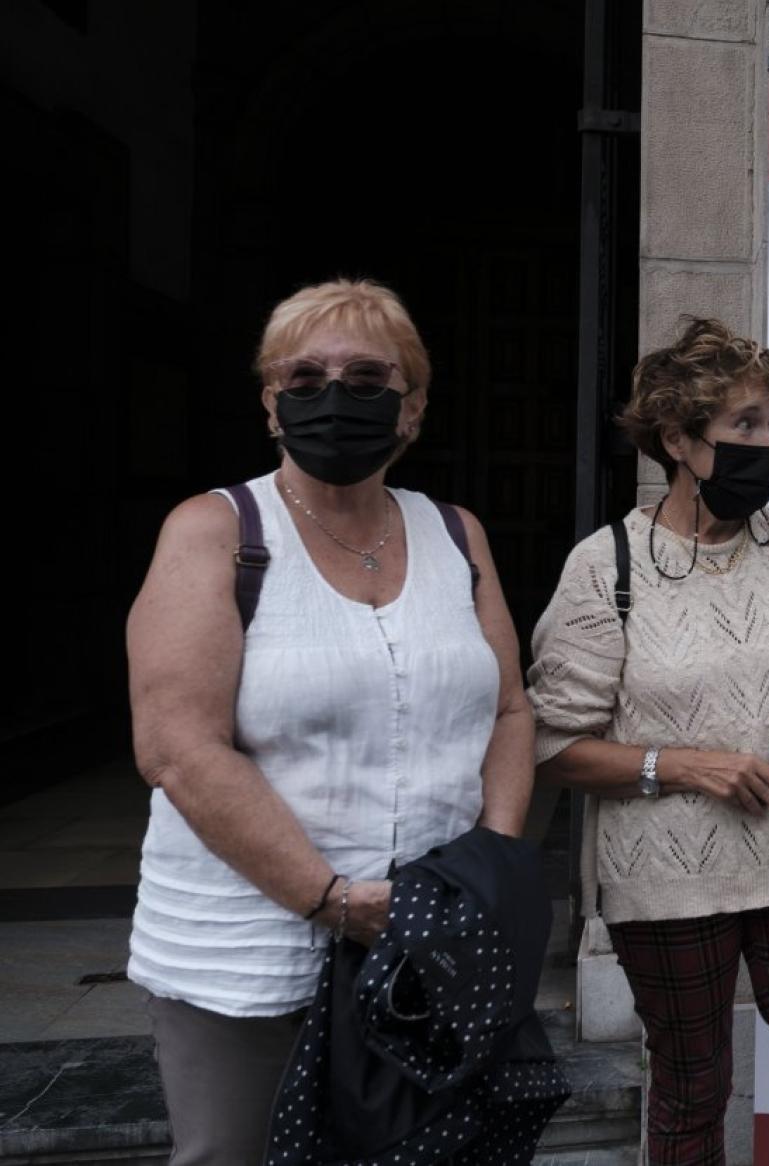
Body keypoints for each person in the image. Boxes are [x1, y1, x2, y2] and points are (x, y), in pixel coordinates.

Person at [126, 278, 535, 1165]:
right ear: (272, 407)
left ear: (412, 407)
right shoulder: (213, 530)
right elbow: (179, 748)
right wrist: (333, 900)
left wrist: (491, 866)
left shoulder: (455, 533)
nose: (333, 397)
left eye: (365, 376)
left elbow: (508, 708)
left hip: (430, 942)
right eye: (303, 379)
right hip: (249, 953)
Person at [529, 316, 769, 1164]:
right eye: (743, 425)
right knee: (691, 1090)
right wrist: (681, 765)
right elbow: (551, 742)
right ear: (678, 439)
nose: (766, 443)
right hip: (669, 884)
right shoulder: (606, 565)